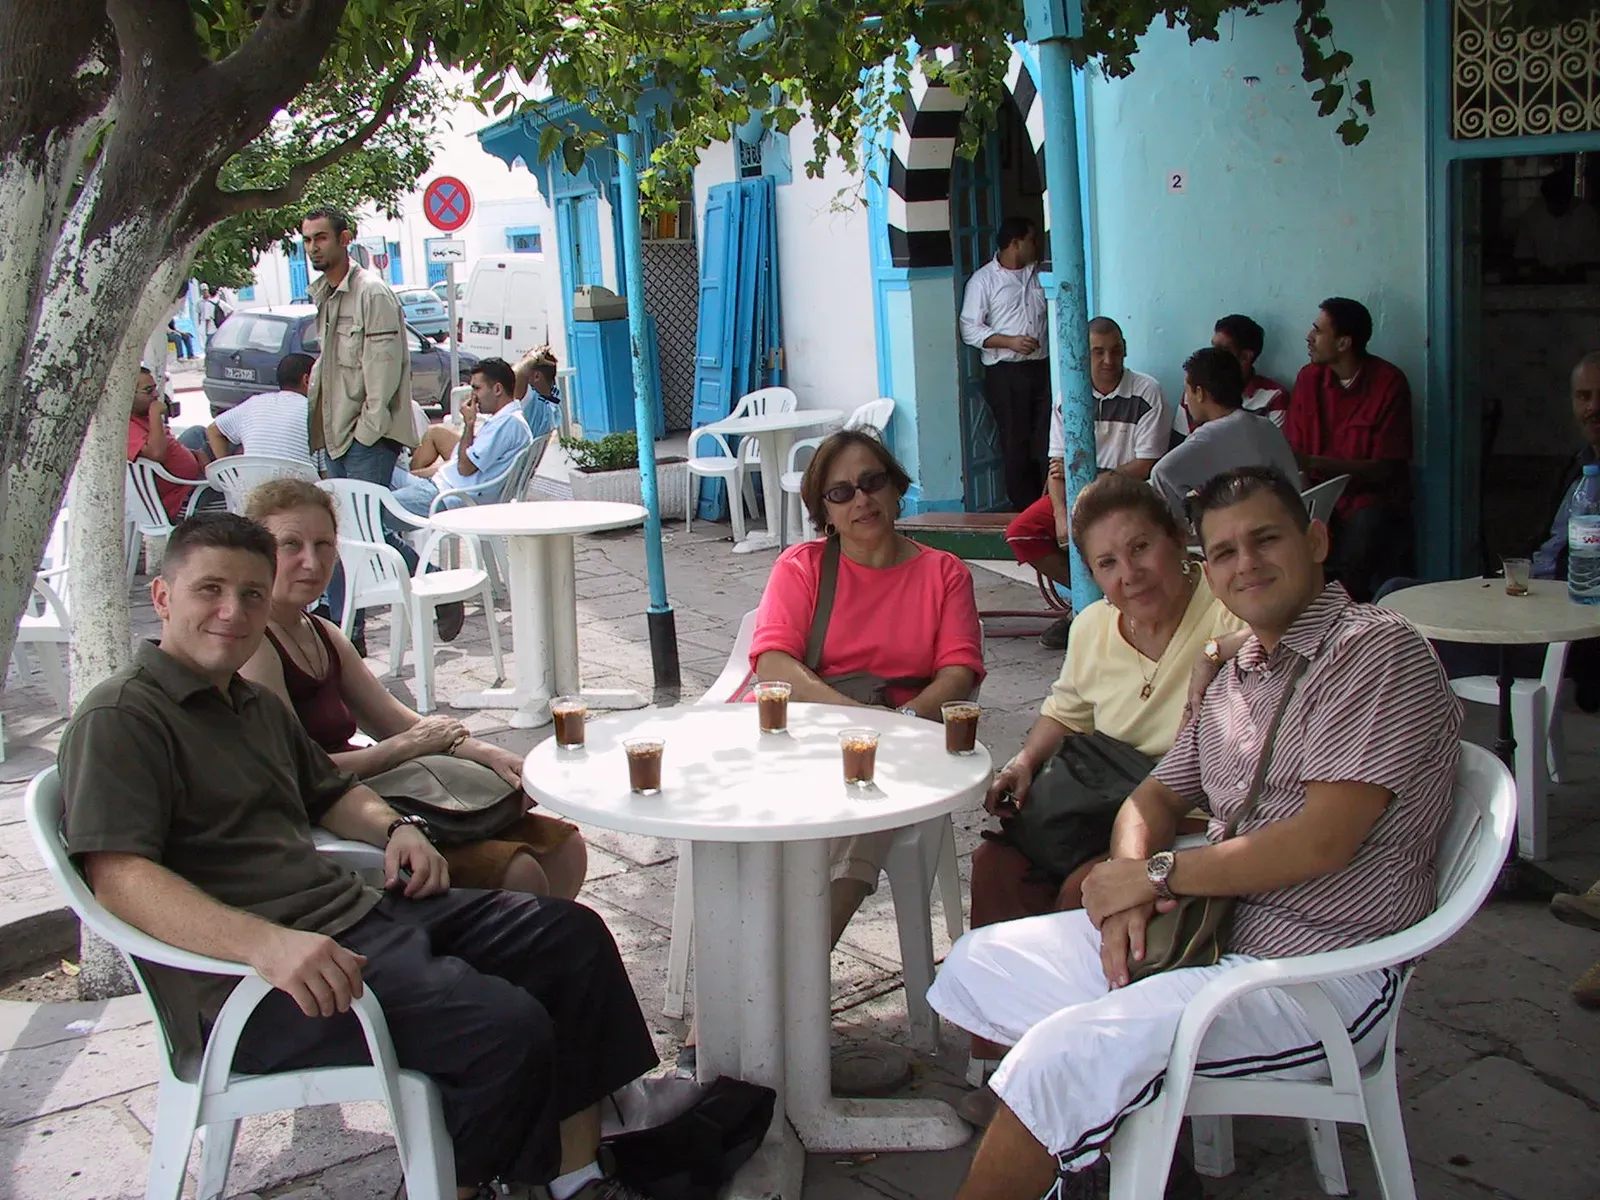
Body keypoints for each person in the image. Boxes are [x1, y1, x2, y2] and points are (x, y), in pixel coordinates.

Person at [57, 513, 658, 1200]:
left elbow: (329, 792)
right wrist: (267, 945)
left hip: (359, 921)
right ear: (164, 598)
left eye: (252, 594)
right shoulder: (123, 718)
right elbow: (118, 877)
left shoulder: (251, 704)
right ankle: (456, 1187)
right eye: (210, 591)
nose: (233, 611)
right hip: (259, 989)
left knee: (567, 938)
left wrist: (395, 828)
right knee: (503, 1029)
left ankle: (576, 1177)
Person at [929, 466, 1462, 1200]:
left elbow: (1321, 844)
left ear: (1315, 538)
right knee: (977, 965)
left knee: (1063, 1059)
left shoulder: (1373, 651)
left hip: (1321, 972)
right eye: (1225, 551)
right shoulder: (1242, 668)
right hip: (1214, 933)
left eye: (1265, 540)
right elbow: (1150, 797)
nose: (1245, 564)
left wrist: (1155, 879)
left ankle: (1100, 1145)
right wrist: (1125, 891)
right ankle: (1117, 1151)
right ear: (1207, 565)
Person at [962, 474, 1246, 1112]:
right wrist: (1025, 763)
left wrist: (1216, 650)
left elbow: (1290, 628)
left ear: (1178, 542)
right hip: (1103, 804)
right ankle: (1001, 1058)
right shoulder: (1092, 627)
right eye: (1107, 563)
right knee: (997, 866)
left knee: (1080, 893)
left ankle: (1086, 1077)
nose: (1131, 575)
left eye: (1142, 548)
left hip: (1191, 817)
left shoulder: (1222, 606)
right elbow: (1066, 713)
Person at [239, 479, 588, 897]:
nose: (311, 562)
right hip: (332, 815)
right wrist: (406, 748)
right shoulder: (255, 644)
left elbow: (392, 719)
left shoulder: (321, 632)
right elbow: (301, 774)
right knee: (520, 875)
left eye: (324, 545)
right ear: (257, 553)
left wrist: (480, 751)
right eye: (291, 545)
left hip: (382, 789)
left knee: (567, 849)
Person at [750, 429, 985, 942]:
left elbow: (958, 675)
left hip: (896, 744)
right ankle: (733, 1013)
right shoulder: (802, 567)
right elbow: (772, 663)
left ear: (896, 489)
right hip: (803, 734)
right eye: (840, 492)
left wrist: (897, 726)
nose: (861, 499)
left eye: (871, 481)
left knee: (865, 810)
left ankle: (792, 987)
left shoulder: (944, 574)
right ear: (825, 512)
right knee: (752, 850)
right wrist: (854, 718)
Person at [1006, 316, 1173, 649]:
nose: (1108, 361)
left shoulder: (1146, 392)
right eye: (1098, 352)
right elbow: (1057, 467)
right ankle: (1092, 600)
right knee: (1020, 533)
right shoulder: (1069, 395)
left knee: (1112, 538)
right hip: (1078, 490)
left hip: (1124, 493)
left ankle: (1096, 605)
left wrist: (1091, 479)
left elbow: (1146, 463)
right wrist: (1059, 514)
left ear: (1125, 351)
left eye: (1115, 351)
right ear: (1084, 355)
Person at [1284, 297, 1414, 601]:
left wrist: (1314, 463)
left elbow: (1385, 467)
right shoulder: (1309, 379)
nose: (1308, 337)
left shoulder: (1388, 383)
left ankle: (1347, 613)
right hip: (1317, 493)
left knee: (1365, 528)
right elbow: (1294, 455)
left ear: (1343, 342)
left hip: (1367, 497)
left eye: (1318, 330)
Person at [303, 206, 417, 486]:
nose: (313, 248)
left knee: (366, 524)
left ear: (344, 239)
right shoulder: (325, 293)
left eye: (321, 238)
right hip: (337, 437)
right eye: (307, 240)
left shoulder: (371, 292)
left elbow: (383, 373)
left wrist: (365, 434)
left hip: (366, 440)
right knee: (347, 525)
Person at [1150, 346, 1301, 527]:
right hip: (1287, 522)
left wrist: (1183, 532)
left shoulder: (1208, 436)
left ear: (1199, 393)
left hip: (1248, 529)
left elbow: (1161, 474)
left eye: (1187, 391)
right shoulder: (1265, 425)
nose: (1186, 399)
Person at [960, 216, 1051, 512]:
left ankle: (1049, 503)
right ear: (1015, 244)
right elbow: (970, 329)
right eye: (1031, 239)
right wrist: (1009, 342)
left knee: (1047, 441)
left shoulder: (1039, 274)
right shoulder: (983, 281)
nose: (1037, 245)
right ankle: (1024, 509)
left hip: (1042, 367)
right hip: (1006, 372)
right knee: (1015, 444)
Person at [391, 357, 533, 516]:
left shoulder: (509, 424)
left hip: (447, 496)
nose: (473, 396)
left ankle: (393, 539)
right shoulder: (505, 419)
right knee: (385, 474)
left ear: (497, 389)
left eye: (477, 389)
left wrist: (469, 423)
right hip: (443, 486)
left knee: (369, 510)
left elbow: (465, 468)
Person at [128, 366, 210, 520]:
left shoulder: (143, 416)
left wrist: (194, 455)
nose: (155, 395)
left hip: (187, 479)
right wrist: (154, 413)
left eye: (155, 389)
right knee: (237, 488)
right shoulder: (128, 426)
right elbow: (156, 454)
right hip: (181, 494)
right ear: (128, 395)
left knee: (199, 432)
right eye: (148, 390)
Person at [205, 353, 316, 465]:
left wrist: (229, 470)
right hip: (300, 481)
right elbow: (327, 475)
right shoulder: (315, 412)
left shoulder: (254, 403)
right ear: (306, 380)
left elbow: (213, 430)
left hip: (252, 481)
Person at [1212, 314, 1289, 427]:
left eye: (1222, 350)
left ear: (1246, 357)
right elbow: (1181, 441)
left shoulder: (1273, 397)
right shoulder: (1197, 389)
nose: (1212, 356)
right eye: (1213, 347)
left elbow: (1274, 443)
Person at [515, 347, 563, 443]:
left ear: (537, 376)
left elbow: (514, 375)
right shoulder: (554, 398)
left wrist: (532, 359)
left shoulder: (531, 399)